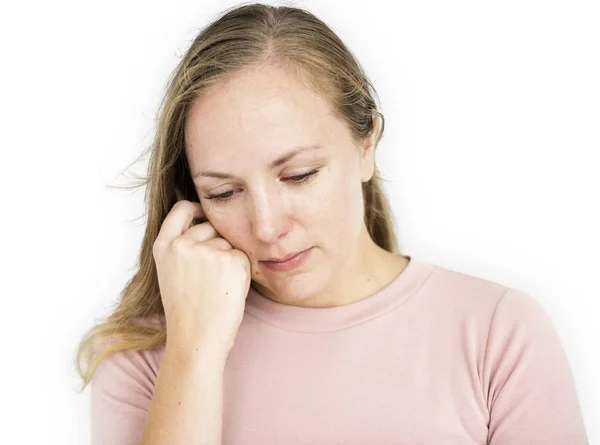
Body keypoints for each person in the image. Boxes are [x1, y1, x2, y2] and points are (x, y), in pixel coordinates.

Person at [74, 3, 589, 444]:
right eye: (224, 193)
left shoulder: (497, 333)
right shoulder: (146, 356)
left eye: (298, 175)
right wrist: (195, 351)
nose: (268, 226)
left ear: (367, 145)